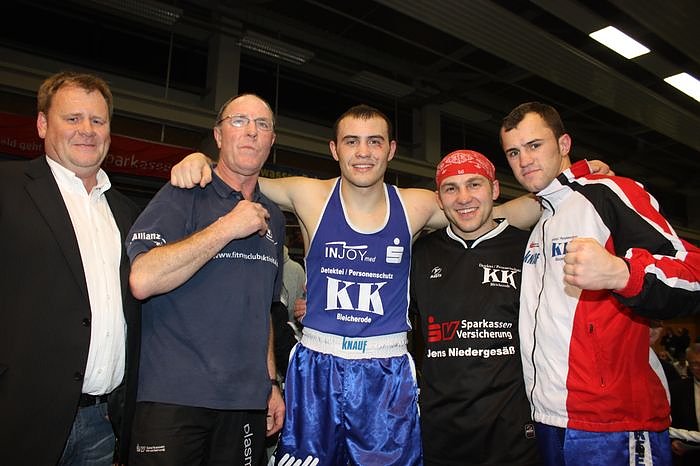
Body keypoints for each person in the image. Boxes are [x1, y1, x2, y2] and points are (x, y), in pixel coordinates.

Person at [170, 104, 618, 465]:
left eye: (374, 141)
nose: (363, 152)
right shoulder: (308, 193)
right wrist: (200, 162)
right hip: (318, 367)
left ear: (391, 149)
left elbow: (497, 211)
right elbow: (241, 177)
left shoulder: (415, 205)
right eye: (352, 141)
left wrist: (570, 180)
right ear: (334, 149)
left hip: (385, 372)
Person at [499, 101, 700, 465]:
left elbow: (693, 272)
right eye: (513, 152)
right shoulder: (542, 221)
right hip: (548, 418)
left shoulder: (607, 193)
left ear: (564, 144)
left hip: (614, 423)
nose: (524, 160)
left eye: (534, 145)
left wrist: (621, 273)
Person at [125, 94, 285, 465]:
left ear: (271, 141)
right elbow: (143, 279)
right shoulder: (185, 192)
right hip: (174, 399)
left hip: (245, 404)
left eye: (262, 125)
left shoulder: (273, 217)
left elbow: (261, 310)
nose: (251, 132)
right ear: (218, 134)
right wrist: (227, 227)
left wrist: (270, 383)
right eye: (239, 121)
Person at [0, 71, 141, 465]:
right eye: (73, 118)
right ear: (43, 124)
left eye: (97, 120)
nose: (87, 130)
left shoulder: (128, 213)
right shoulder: (7, 188)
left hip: (103, 423)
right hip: (18, 417)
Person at [409, 149, 540, 465]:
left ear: (494, 189)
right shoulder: (420, 254)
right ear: (439, 199)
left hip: (513, 432)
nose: (463, 198)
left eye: (474, 184)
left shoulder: (528, 249)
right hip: (440, 433)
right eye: (451, 188)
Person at [669, 343, 700, 465]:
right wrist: (674, 442)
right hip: (688, 457)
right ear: (689, 365)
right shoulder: (677, 390)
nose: (699, 367)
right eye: (695, 364)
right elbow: (670, 422)